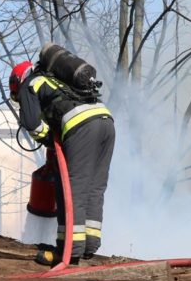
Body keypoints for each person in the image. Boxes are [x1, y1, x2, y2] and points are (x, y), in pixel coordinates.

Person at [9, 54, 115, 265]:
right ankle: (89, 246)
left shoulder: (30, 84)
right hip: (105, 122)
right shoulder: (56, 80)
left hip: (82, 127)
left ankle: (68, 253)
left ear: (18, 82)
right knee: (94, 188)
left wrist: (49, 139)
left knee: (72, 190)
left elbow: (32, 124)